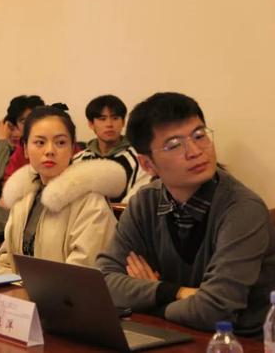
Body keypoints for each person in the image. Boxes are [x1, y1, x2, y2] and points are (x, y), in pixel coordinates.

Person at [97, 92, 275, 334]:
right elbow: (103, 282)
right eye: (174, 145)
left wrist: (150, 300)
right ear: (148, 164)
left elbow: (214, 310)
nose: (195, 151)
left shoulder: (243, 209)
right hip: (172, 334)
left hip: (240, 342)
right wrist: (174, 292)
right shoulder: (145, 203)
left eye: (199, 136)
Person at [0, 104, 124, 273]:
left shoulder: (91, 202)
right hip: (22, 288)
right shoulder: (24, 195)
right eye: (40, 142)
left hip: (68, 289)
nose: (50, 151)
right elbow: (6, 260)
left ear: (72, 149)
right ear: (26, 149)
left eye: (60, 142)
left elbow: (81, 273)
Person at [73, 94, 151, 202]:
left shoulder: (139, 160)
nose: (109, 124)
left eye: (115, 118)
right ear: (91, 124)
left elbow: (134, 203)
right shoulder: (78, 160)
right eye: (102, 119)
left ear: (123, 122)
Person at [0, 95, 44, 182]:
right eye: (23, 121)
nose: (29, 124)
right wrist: (2, 140)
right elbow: (4, 175)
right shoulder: (21, 147)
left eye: (33, 119)